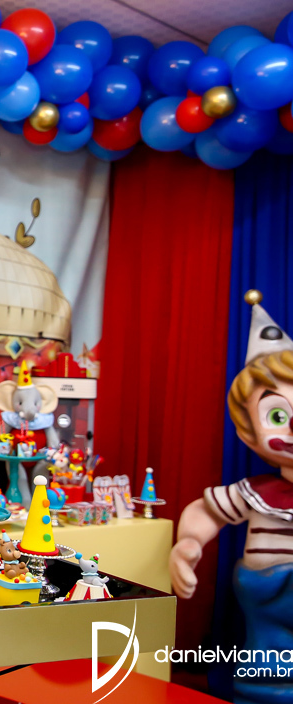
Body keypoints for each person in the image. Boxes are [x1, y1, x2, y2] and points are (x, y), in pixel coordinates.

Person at [169, 292, 293, 703]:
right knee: (268, 679)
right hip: (267, 605)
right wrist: (188, 544)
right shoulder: (257, 492)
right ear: (247, 431)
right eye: (278, 416)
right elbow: (207, 511)